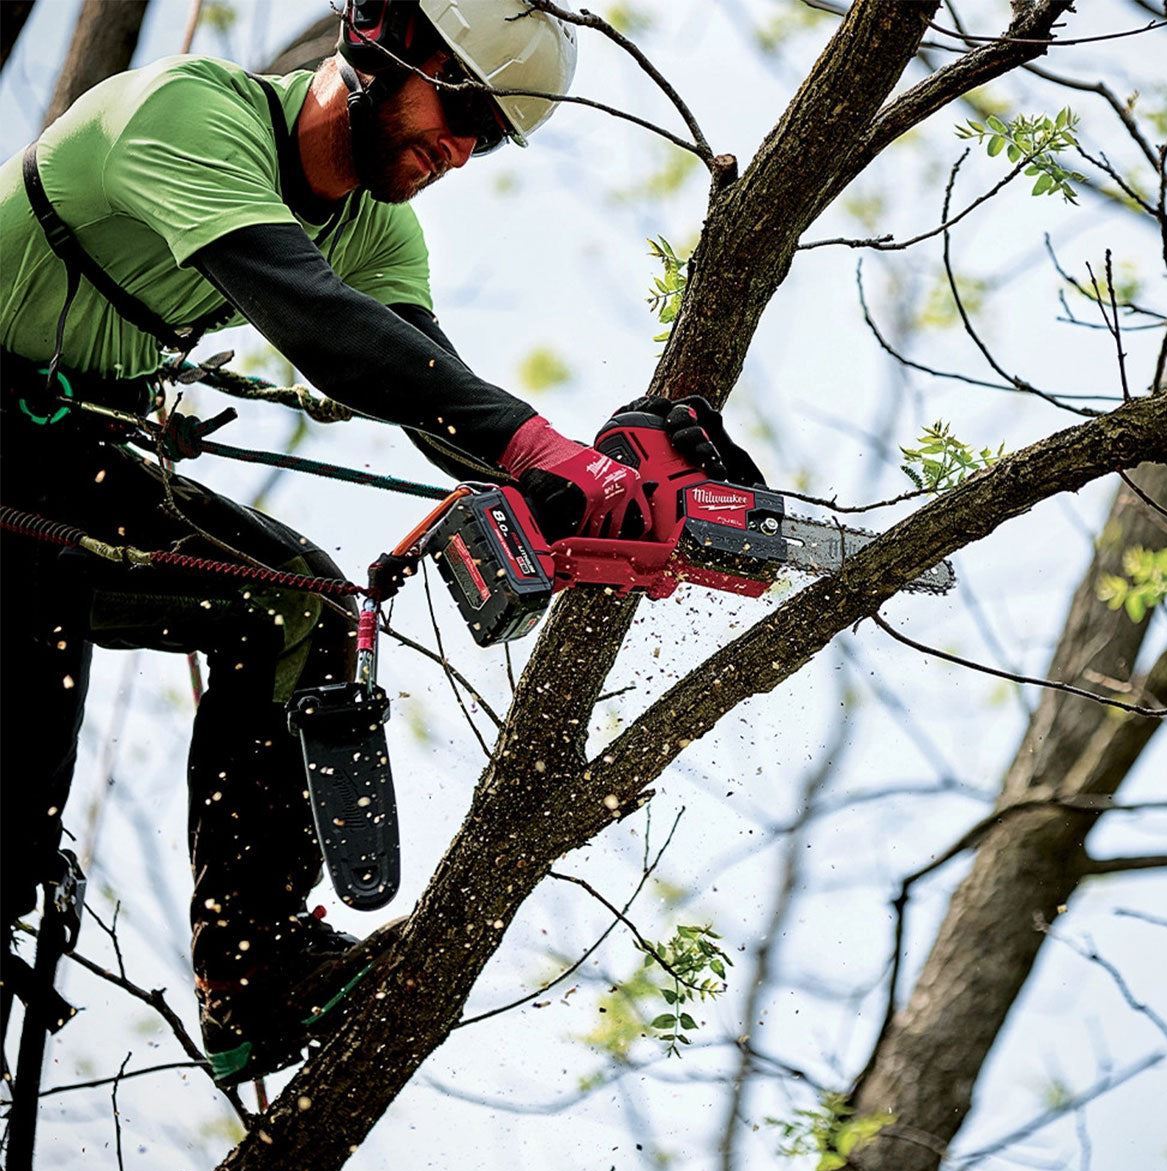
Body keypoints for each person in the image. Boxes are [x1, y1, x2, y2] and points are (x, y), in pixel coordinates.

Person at [0, 0, 742, 1086]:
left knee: (303, 605)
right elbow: (325, 329)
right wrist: (544, 452)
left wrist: (604, 483)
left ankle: (260, 975)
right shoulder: (188, 114)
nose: (462, 147)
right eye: (462, 108)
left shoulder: (376, 230)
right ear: (387, 44)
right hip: (20, 446)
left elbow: (431, 393)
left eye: (489, 137)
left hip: (72, 468)